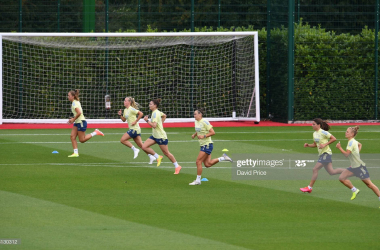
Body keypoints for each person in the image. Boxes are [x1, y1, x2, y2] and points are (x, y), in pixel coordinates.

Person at [336, 126, 380, 202]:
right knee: (342, 178)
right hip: (354, 167)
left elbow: (347, 155)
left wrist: (339, 147)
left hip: (359, 167)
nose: (345, 133)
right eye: (346, 131)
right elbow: (360, 145)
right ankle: (354, 190)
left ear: (352, 134)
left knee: (369, 185)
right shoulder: (354, 141)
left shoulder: (351, 142)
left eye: (347, 132)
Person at [189, 109, 232, 185]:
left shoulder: (205, 122)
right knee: (207, 164)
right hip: (203, 145)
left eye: (195, 114)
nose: (194, 115)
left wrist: (204, 136)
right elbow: (199, 130)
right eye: (194, 114)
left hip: (207, 145)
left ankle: (198, 180)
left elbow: (213, 132)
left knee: (198, 161)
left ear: (200, 114)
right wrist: (194, 135)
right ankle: (223, 157)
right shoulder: (196, 121)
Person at [300, 118, 344, 193]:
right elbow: (315, 144)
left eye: (314, 124)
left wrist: (324, 144)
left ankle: (309, 187)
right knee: (332, 172)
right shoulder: (314, 133)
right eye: (312, 124)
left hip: (326, 153)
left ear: (318, 125)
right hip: (322, 154)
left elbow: (334, 138)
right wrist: (308, 145)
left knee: (315, 169)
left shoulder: (323, 132)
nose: (312, 125)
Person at [142, 99, 182, 174]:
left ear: (155, 105)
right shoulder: (157, 112)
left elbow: (154, 125)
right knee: (144, 147)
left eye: (151, 104)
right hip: (155, 136)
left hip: (160, 137)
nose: (149, 105)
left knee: (166, 153)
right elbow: (164, 115)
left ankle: (177, 166)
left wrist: (147, 120)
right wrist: (161, 123)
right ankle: (158, 157)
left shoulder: (155, 114)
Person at [67, 89, 104, 157]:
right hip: (77, 122)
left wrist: (73, 119)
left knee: (82, 140)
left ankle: (95, 132)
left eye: (69, 95)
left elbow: (79, 113)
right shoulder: (75, 102)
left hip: (81, 122)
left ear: (73, 96)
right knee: (72, 136)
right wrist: (73, 120)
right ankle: (75, 153)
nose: (68, 97)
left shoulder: (74, 103)